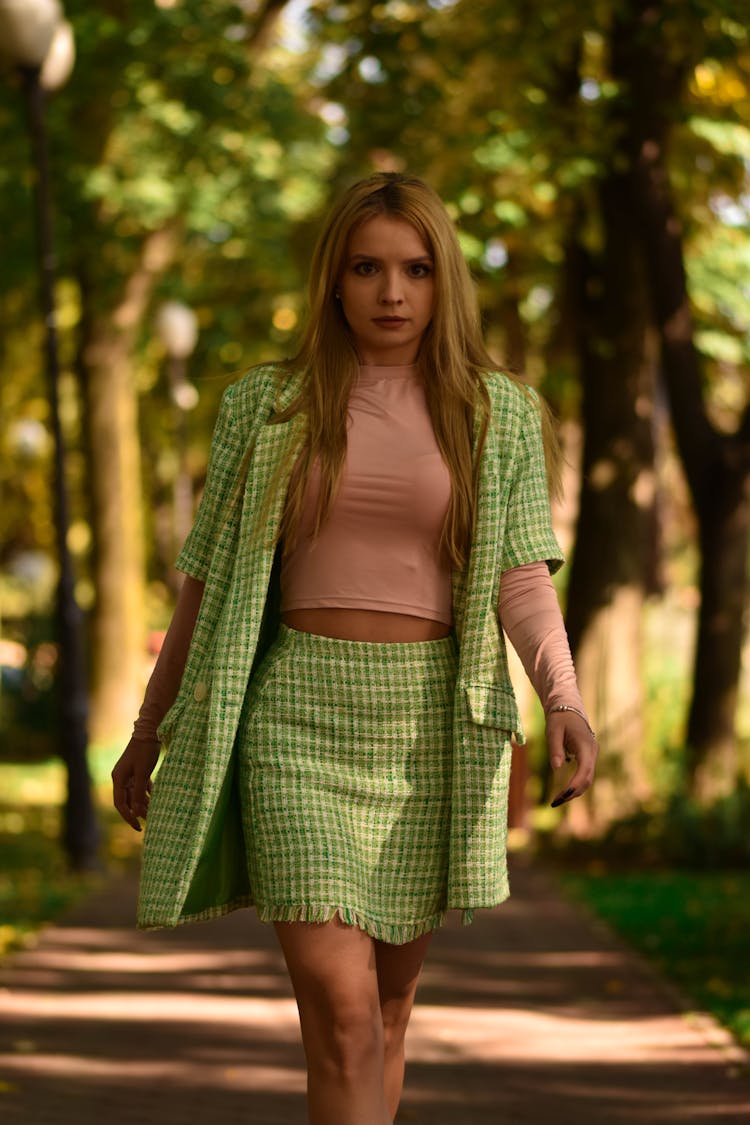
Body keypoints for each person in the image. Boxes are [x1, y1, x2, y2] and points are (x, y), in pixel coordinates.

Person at [112, 171, 598, 1125]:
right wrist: (146, 730)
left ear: (442, 281)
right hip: (293, 721)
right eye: (367, 267)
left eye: (416, 270)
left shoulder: (495, 416)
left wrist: (564, 698)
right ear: (333, 279)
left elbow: (521, 578)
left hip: (430, 735)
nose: (392, 293)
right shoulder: (266, 406)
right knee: (339, 1013)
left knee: (386, 1008)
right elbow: (205, 585)